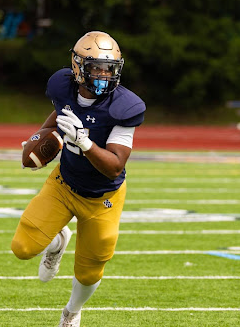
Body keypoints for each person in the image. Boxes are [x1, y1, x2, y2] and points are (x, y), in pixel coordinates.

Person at [11, 30, 146, 326]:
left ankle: (71, 311)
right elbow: (59, 113)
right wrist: (41, 137)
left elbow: (114, 166)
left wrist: (84, 143)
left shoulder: (124, 107)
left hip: (103, 198)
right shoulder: (62, 85)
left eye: (109, 69)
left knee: (89, 272)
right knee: (22, 248)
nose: (103, 75)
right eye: (96, 67)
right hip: (64, 183)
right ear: (78, 67)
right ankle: (58, 239)